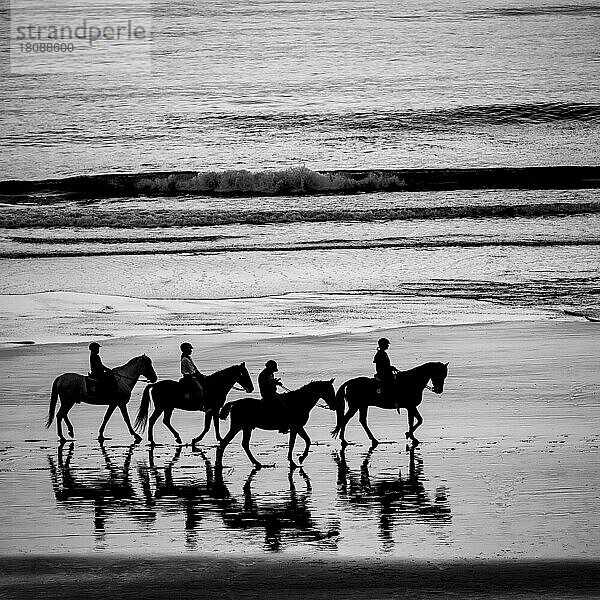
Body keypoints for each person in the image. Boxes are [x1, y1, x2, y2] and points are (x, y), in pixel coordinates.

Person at [258, 360, 288, 432]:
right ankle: (282, 426)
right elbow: (265, 386)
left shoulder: (270, 373)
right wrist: (273, 383)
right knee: (281, 406)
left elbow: (270, 383)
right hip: (267, 394)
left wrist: (276, 383)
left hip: (273, 393)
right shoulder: (263, 375)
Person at [373, 337, 398, 405]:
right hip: (383, 374)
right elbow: (381, 366)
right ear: (383, 345)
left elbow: (386, 365)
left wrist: (391, 367)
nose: (388, 346)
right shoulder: (381, 354)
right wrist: (390, 368)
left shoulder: (383, 353)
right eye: (387, 344)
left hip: (386, 372)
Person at [180, 342, 205, 407]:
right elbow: (191, 371)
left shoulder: (188, 357)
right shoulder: (185, 359)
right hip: (189, 377)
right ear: (185, 350)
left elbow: (194, 367)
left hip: (192, 375)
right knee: (200, 389)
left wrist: (200, 374)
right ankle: (200, 405)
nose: (191, 351)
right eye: (189, 349)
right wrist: (198, 375)